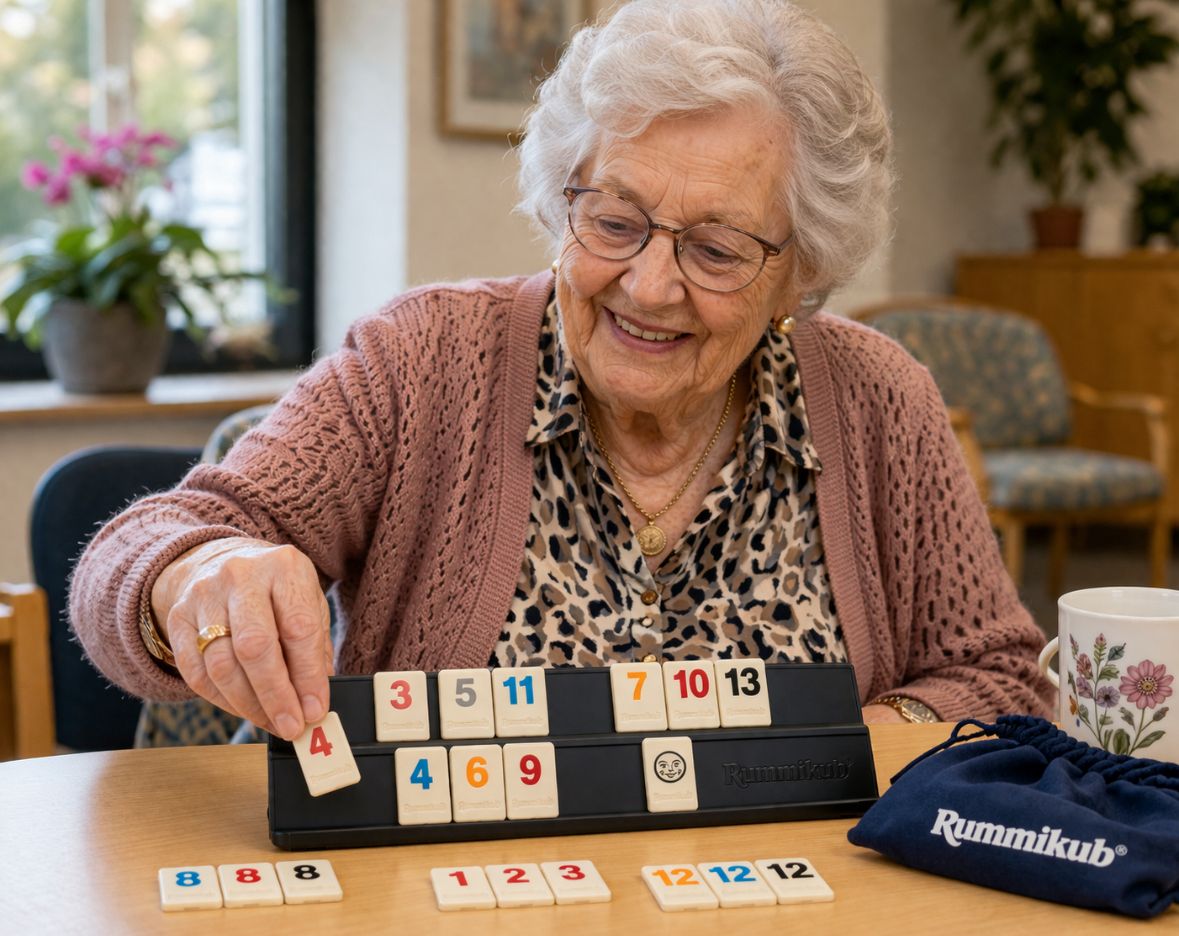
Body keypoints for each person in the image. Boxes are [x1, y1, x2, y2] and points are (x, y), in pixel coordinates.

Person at [70, 0, 1054, 744]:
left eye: (713, 250)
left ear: (802, 270)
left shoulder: (880, 400)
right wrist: (194, 571)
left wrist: (833, 759)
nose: (650, 285)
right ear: (558, 202)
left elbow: (1001, 679)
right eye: (615, 222)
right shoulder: (424, 364)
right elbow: (148, 545)